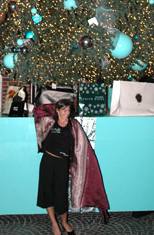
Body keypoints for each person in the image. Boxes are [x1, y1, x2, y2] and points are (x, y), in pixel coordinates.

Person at [34, 98, 109, 235]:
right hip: (47, 161)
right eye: (64, 110)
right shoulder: (49, 122)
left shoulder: (74, 125)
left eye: (68, 110)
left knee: (61, 195)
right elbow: (38, 112)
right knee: (47, 192)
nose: (67, 113)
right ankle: (54, 223)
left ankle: (64, 222)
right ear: (57, 110)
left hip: (62, 163)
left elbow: (81, 147)